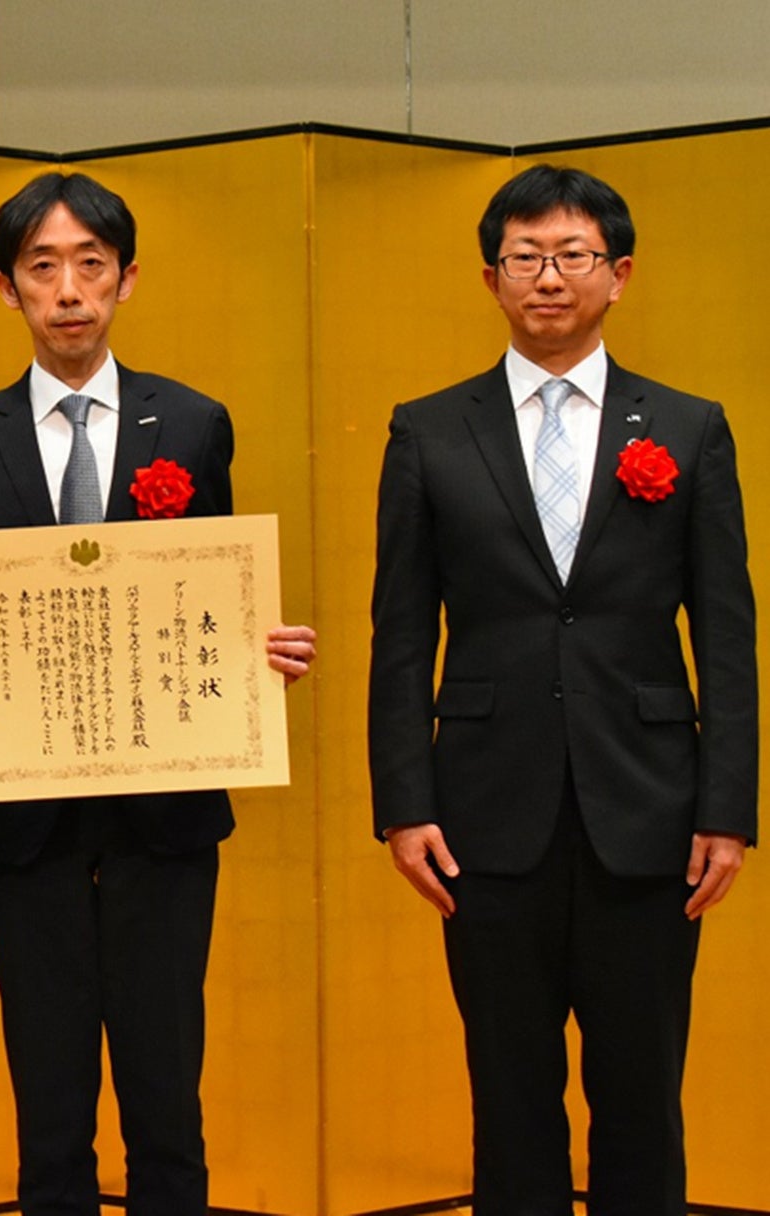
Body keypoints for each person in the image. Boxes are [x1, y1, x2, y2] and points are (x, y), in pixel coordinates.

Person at [0, 172, 314, 1216]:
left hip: (166, 816)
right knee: (48, 1092)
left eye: (91, 266)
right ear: (6, 287)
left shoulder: (191, 423)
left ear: (127, 279)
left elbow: (214, 588)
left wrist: (261, 648)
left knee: (167, 1086)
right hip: (28, 822)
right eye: (43, 268)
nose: (69, 291)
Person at [369, 164, 750, 1215]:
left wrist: (727, 810)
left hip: (652, 811)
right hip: (483, 817)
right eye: (525, 257)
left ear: (618, 274)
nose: (549, 277)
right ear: (491, 277)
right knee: (510, 1095)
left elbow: (727, 633)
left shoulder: (687, 428)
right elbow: (401, 633)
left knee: (642, 1096)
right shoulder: (429, 431)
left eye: (573, 255)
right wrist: (404, 804)